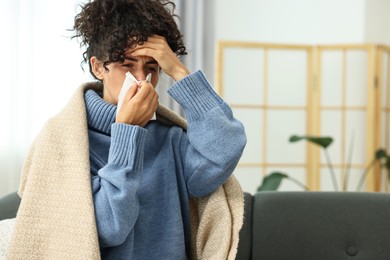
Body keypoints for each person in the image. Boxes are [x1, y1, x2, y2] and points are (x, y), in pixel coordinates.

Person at [8, 0, 246, 259]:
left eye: (152, 68)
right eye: (128, 65)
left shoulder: (170, 139)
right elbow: (109, 228)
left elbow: (225, 150)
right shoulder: (65, 144)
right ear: (98, 67)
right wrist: (127, 131)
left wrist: (178, 70)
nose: (142, 79)